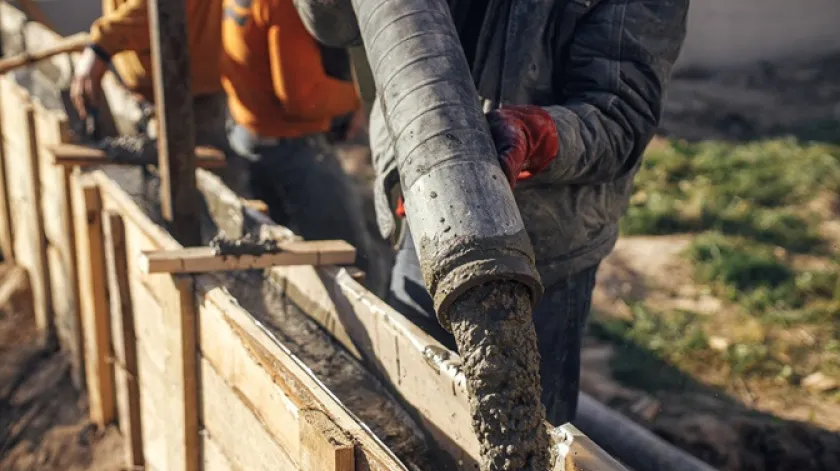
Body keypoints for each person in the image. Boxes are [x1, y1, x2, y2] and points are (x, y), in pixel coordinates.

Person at [292, 0, 689, 427]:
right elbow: (335, 25)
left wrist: (536, 134)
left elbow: (620, 116)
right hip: (423, 212)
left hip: (543, 249)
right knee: (408, 418)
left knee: (523, 433)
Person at [220, 0, 374, 277]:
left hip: (248, 136)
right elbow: (304, 99)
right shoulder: (282, 6)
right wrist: (358, 98)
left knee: (278, 262)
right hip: (294, 150)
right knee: (354, 264)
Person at [70, 0, 232, 179]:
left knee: (201, 184)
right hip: (148, 90)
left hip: (187, 92)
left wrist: (101, 45)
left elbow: (162, 6)